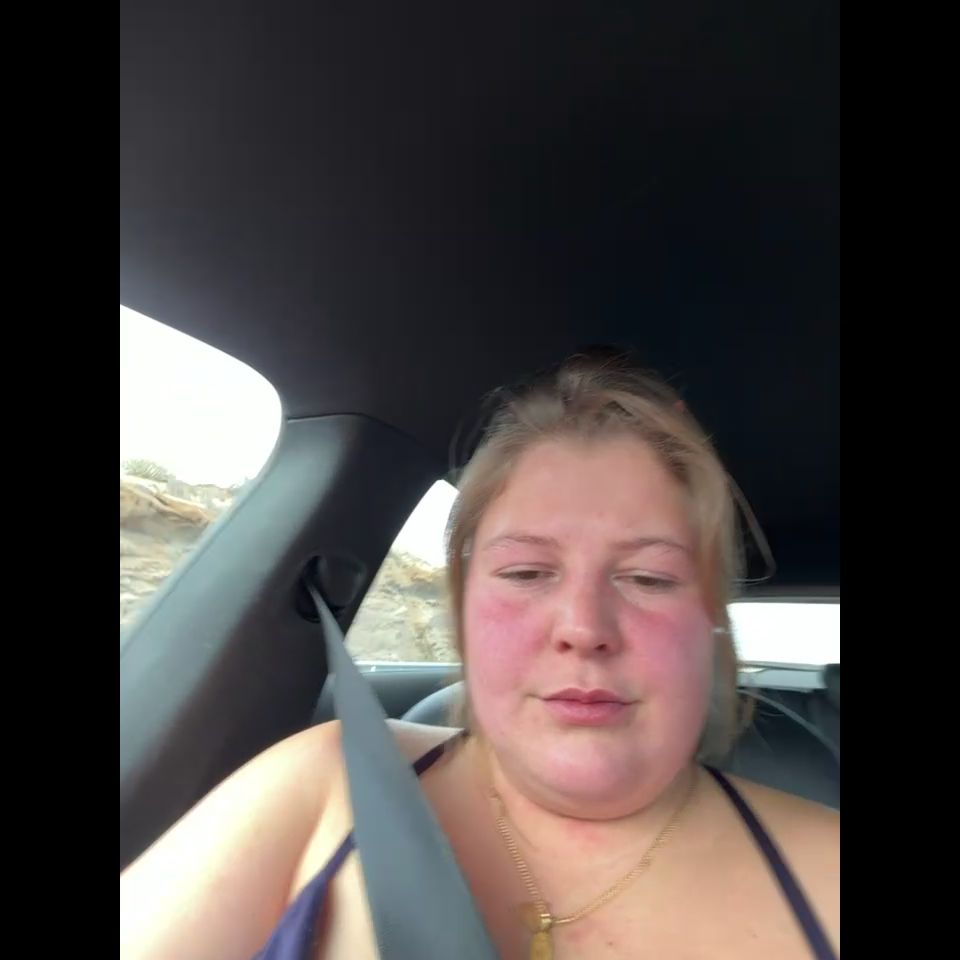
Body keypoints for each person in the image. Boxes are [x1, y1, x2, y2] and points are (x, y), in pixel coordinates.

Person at [120, 351, 840, 960]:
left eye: (649, 578)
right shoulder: (322, 783)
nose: (583, 627)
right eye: (526, 572)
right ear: (464, 605)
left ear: (710, 620)